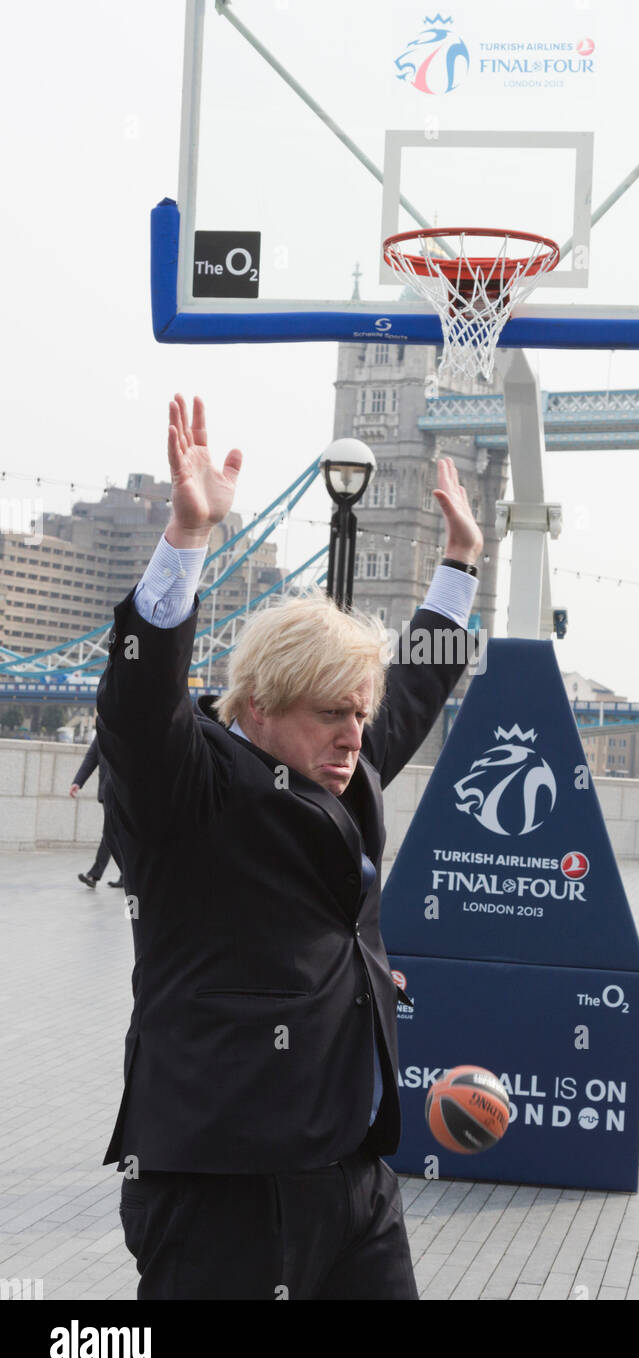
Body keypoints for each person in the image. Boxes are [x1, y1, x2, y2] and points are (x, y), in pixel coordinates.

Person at [96, 394, 483, 1300]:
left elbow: (416, 692)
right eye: (331, 714)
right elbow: (136, 706)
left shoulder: (340, 773)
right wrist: (187, 539)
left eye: (359, 714)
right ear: (259, 707)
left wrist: (460, 561)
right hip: (224, 1184)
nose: (355, 735)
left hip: (354, 1173)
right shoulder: (189, 790)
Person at [69, 732, 123, 888]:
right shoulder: (103, 730)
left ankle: (95, 874)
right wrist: (78, 782)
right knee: (114, 834)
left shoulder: (129, 727)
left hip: (125, 794)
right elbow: (91, 758)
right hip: (108, 793)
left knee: (112, 833)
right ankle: (125, 875)